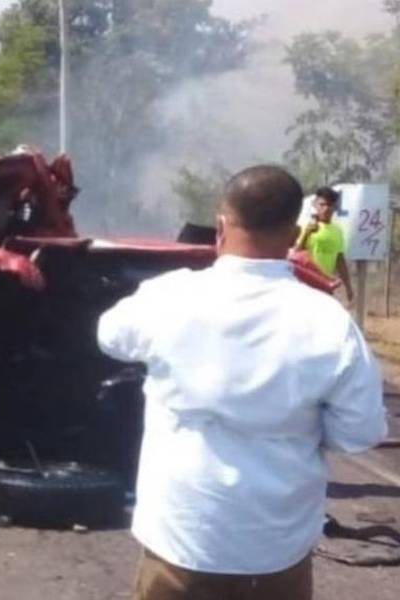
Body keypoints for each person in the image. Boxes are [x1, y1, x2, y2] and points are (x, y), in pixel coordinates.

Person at [97, 165, 386, 600]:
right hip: (276, 555)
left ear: (220, 226)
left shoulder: (168, 297)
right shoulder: (329, 321)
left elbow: (109, 336)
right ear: (293, 235)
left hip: (182, 544)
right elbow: (359, 433)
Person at [295, 186, 354, 303]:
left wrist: (348, 286)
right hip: (305, 284)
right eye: (322, 205)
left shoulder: (337, 231)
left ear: (334, 207)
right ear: (315, 205)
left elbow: (339, 259)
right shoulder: (305, 227)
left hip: (325, 284)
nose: (326, 209)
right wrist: (306, 234)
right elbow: (295, 254)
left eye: (330, 205)